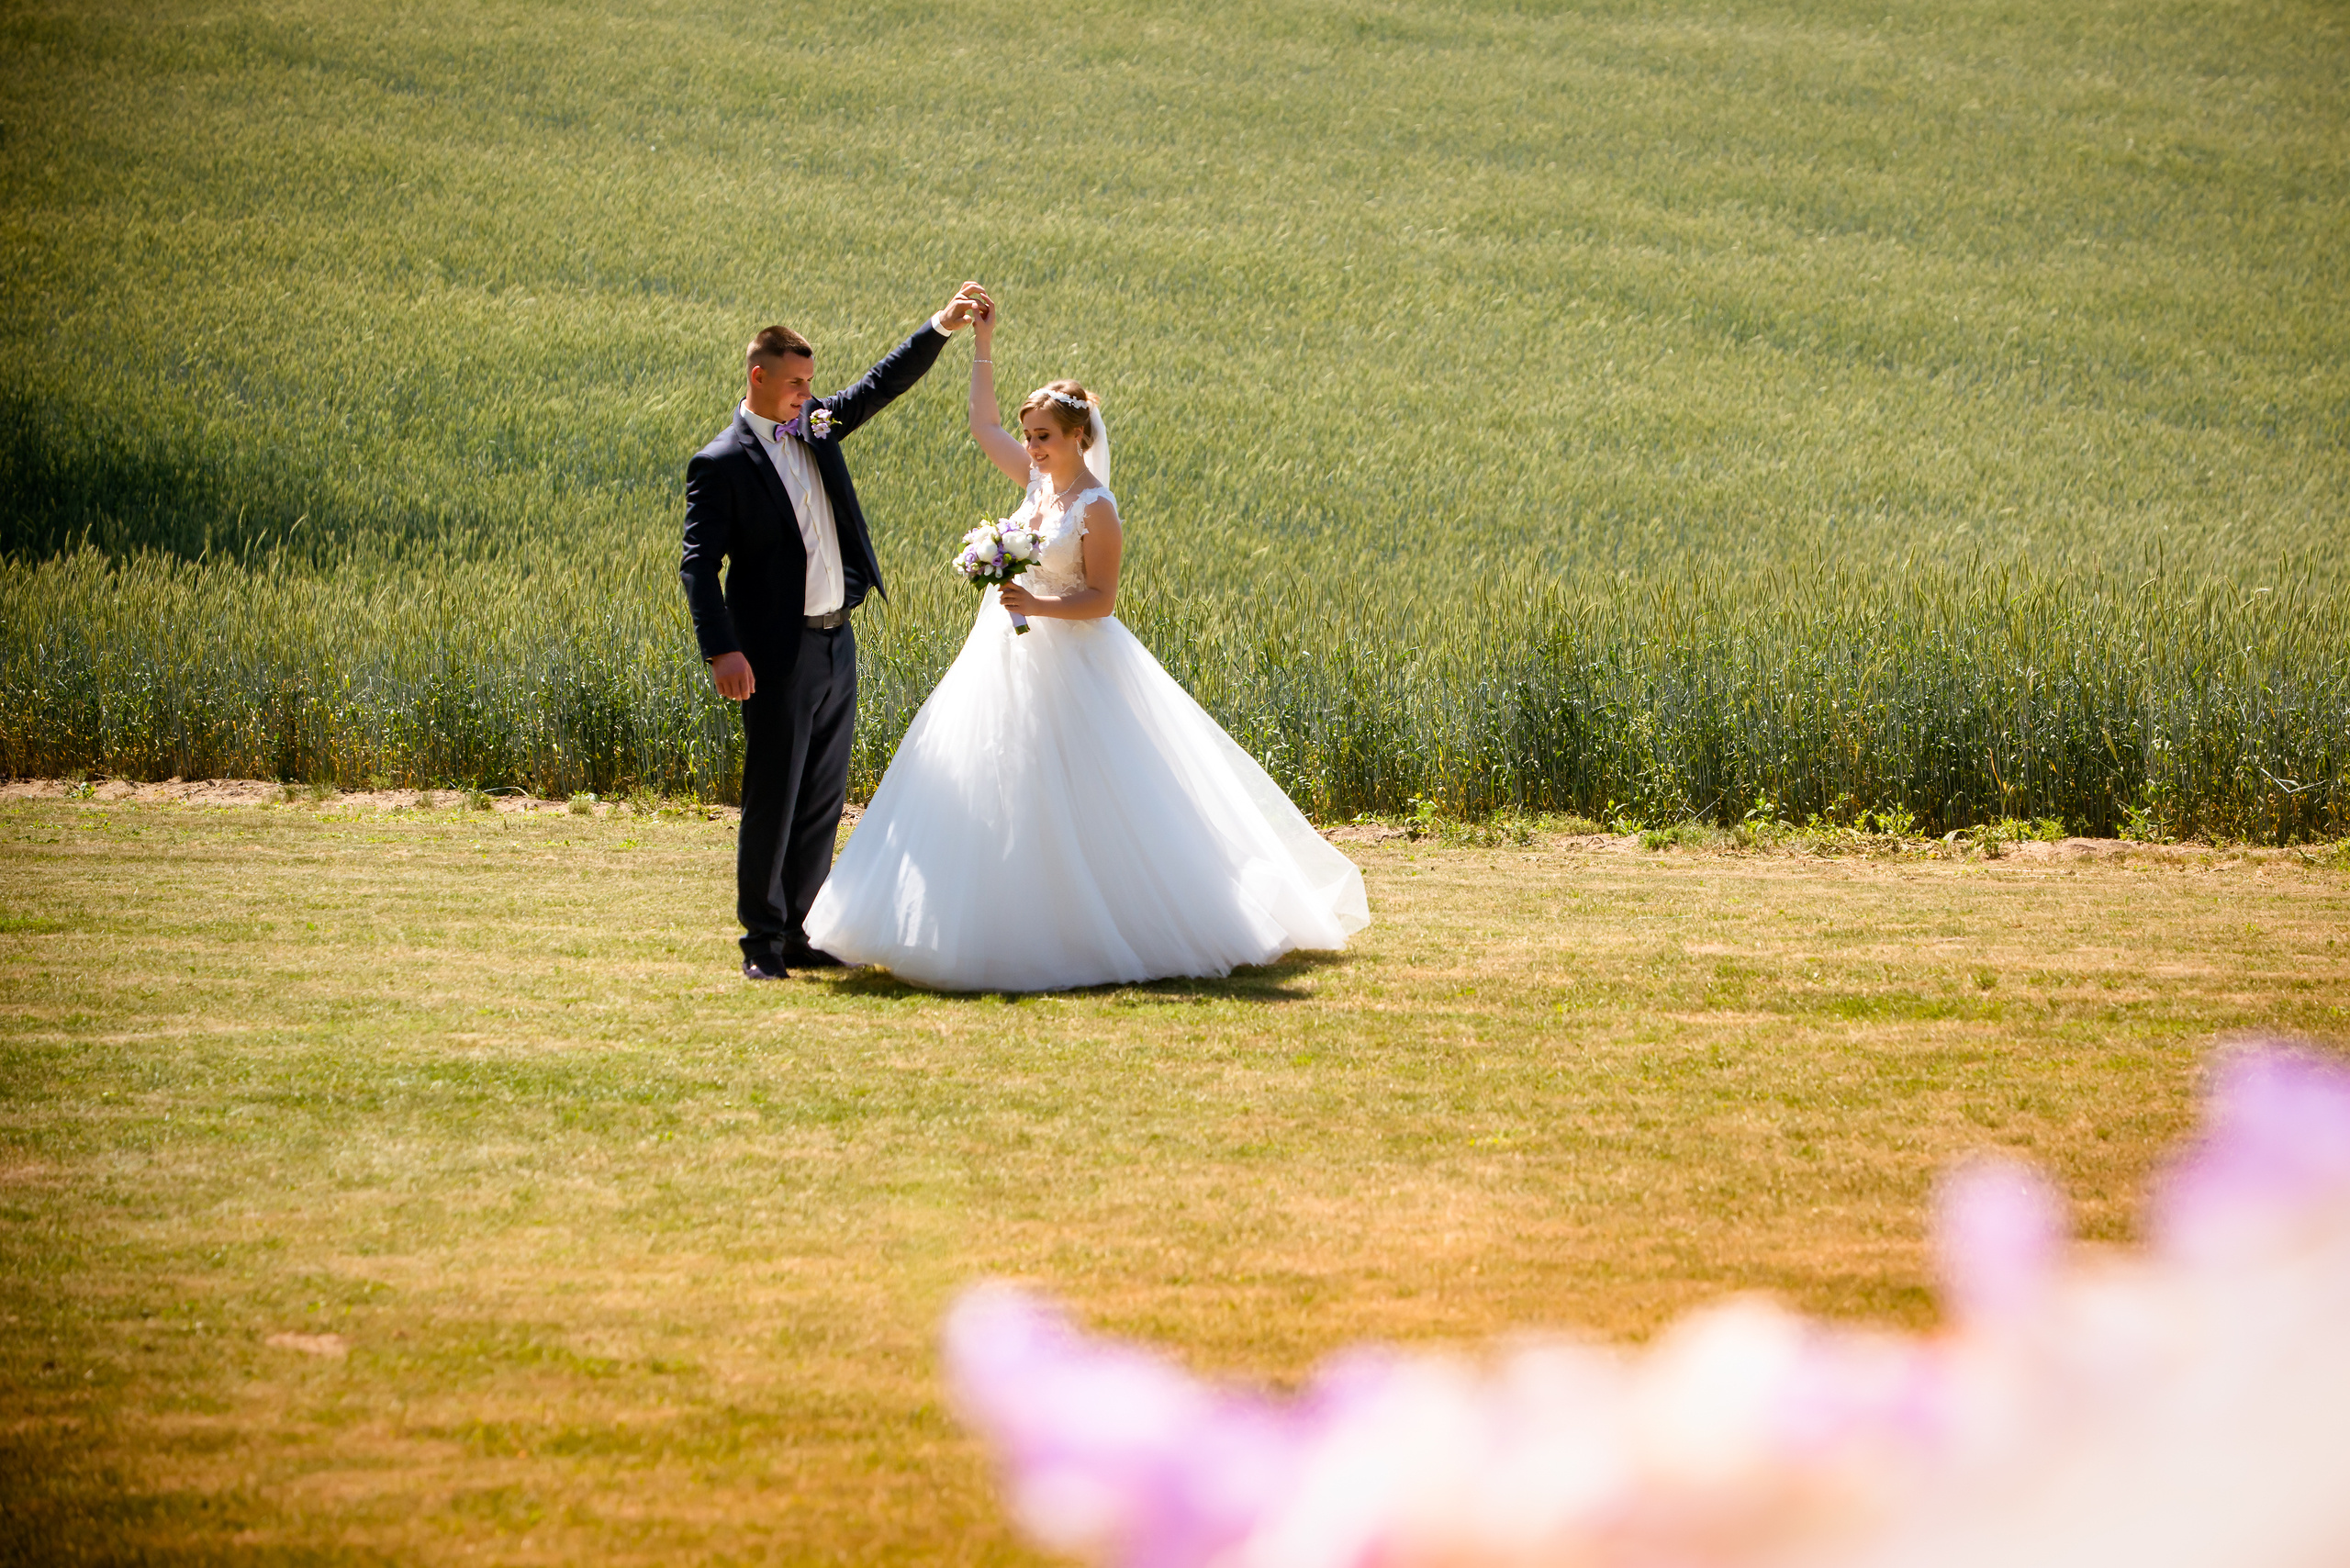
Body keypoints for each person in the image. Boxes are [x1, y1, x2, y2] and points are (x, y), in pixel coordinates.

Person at [802, 294, 1369, 991]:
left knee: (1079, 791)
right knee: (993, 778)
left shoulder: (1096, 508)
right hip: (1004, 655)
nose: (1034, 447)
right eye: (1032, 436)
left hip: (1073, 660)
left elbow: (1102, 601)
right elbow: (982, 424)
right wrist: (982, 344)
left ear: (1078, 437)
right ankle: (990, 917)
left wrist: (1034, 601)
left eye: (1044, 436)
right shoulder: (1037, 486)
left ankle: (1093, 925)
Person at [680, 283, 988, 980]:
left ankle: (799, 930)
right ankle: (759, 943)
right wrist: (722, 649)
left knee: (822, 793)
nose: (807, 395)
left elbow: (878, 387)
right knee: (774, 795)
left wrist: (940, 325)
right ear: (758, 377)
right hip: (773, 654)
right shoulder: (720, 462)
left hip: (835, 640)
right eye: (795, 383)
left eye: (811, 383)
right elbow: (698, 565)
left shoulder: (815, 425)